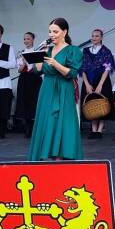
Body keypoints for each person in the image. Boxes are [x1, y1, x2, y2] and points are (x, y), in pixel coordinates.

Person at [27, 18, 83, 161]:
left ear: (64, 32)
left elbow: (72, 73)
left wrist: (55, 64)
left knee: (63, 121)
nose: (52, 34)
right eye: (50, 31)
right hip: (47, 89)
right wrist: (38, 55)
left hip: (64, 89)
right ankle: (46, 154)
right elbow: (37, 70)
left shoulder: (73, 50)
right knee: (47, 120)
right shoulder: (48, 50)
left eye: (55, 31)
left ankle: (62, 154)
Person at [80, 29, 113, 139]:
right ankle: (94, 130)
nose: (94, 38)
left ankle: (100, 130)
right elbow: (82, 69)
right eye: (93, 36)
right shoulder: (85, 51)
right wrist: (87, 84)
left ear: (101, 38)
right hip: (89, 81)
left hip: (102, 81)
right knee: (91, 104)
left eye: (97, 36)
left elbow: (107, 69)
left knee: (102, 104)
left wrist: (100, 85)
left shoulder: (106, 51)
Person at [13, 31, 42, 137]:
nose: (26, 41)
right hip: (24, 79)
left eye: (28, 39)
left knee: (34, 102)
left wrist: (31, 61)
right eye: (25, 39)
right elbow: (19, 70)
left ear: (33, 40)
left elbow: (39, 68)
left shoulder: (37, 51)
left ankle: (35, 128)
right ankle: (27, 128)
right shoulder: (21, 53)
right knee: (24, 102)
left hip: (35, 79)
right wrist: (24, 62)